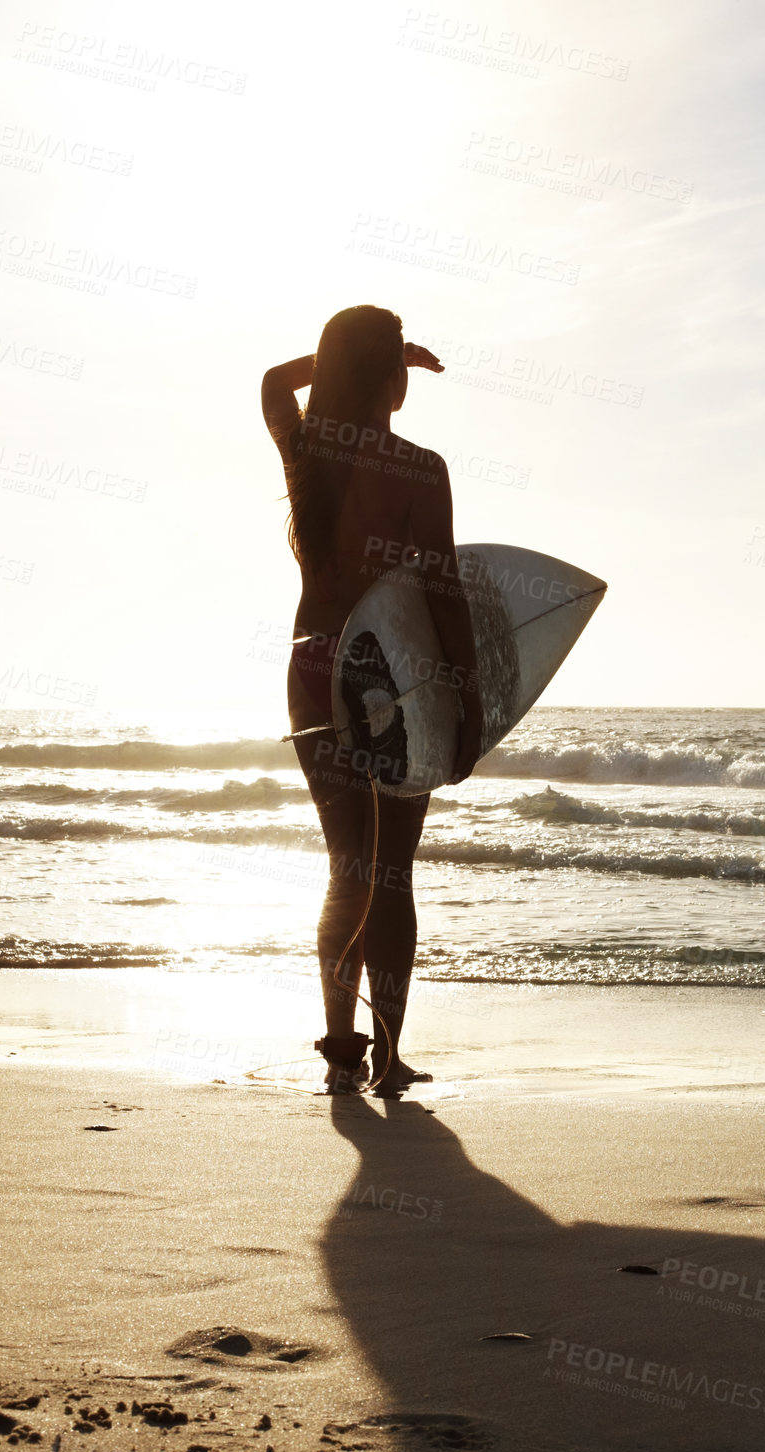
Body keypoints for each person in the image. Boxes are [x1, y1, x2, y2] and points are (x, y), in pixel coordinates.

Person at [261, 305, 483, 1096]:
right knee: (392, 875)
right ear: (393, 376)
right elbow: (444, 591)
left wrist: (346, 361)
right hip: (390, 677)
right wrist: (471, 699)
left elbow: (272, 381)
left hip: (313, 672)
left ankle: (341, 1048)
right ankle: (390, 1060)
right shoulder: (421, 469)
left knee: (345, 868)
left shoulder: (309, 454)